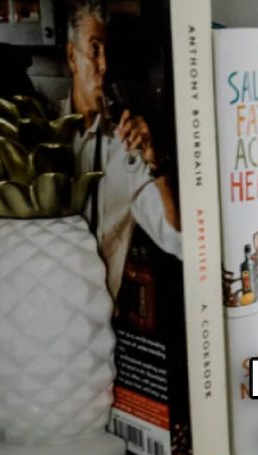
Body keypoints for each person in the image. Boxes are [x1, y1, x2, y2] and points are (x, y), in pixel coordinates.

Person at [62, 1, 182, 297]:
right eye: (94, 49)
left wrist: (157, 164)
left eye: (108, 53)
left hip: (98, 327)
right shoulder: (40, 131)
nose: (104, 65)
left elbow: (181, 242)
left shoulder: (126, 150)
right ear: (71, 56)